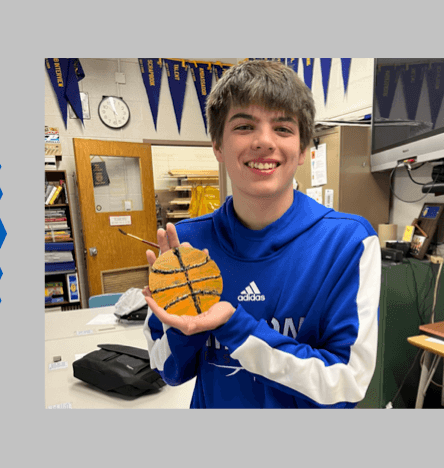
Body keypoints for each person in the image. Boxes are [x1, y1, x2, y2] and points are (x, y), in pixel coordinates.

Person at [142, 60, 380, 408]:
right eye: (244, 126)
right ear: (218, 146)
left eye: (283, 128)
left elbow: (346, 384)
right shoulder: (187, 244)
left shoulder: (348, 244)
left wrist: (238, 329)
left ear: (303, 150)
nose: (264, 142)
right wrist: (181, 326)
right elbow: (167, 369)